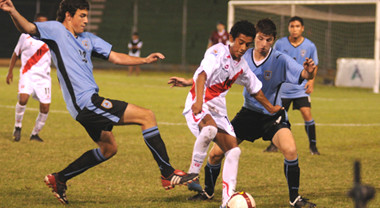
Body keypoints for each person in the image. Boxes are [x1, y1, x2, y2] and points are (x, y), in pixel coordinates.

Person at [0, 0, 198, 205]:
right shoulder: (56, 30)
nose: (86, 20)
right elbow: (28, 27)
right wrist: (13, 11)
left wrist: (145, 60)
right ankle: (167, 173)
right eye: (82, 16)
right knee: (147, 116)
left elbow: (116, 57)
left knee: (109, 148)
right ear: (68, 16)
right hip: (86, 102)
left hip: (86, 105)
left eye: (87, 16)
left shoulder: (89, 39)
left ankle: (59, 179)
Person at [169, 18, 317, 208]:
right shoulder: (242, 55)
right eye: (261, 39)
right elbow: (213, 73)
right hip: (248, 114)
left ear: (273, 40)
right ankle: (207, 192)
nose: (264, 44)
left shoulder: (280, 60)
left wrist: (310, 73)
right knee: (216, 155)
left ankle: (294, 199)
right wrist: (190, 82)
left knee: (290, 150)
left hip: (272, 118)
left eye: (269, 40)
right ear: (254, 38)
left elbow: (304, 75)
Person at [264, 16, 320, 155]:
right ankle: (273, 145)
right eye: (292, 26)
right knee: (277, 116)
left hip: (301, 89)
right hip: (283, 88)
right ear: (288, 28)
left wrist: (311, 81)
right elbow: (273, 62)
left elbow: (315, 65)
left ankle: (313, 147)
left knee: (307, 114)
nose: (294, 29)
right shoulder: (280, 44)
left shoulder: (310, 46)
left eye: (297, 26)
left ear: (302, 28)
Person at [6, 13, 50, 142]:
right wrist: (10, 72)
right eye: (40, 22)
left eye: (45, 23)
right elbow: (15, 54)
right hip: (28, 74)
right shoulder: (25, 36)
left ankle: (35, 134)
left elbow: (58, 59)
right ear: (35, 23)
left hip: (44, 78)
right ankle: (18, 127)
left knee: (45, 108)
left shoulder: (50, 39)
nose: (43, 25)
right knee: (23, 98)